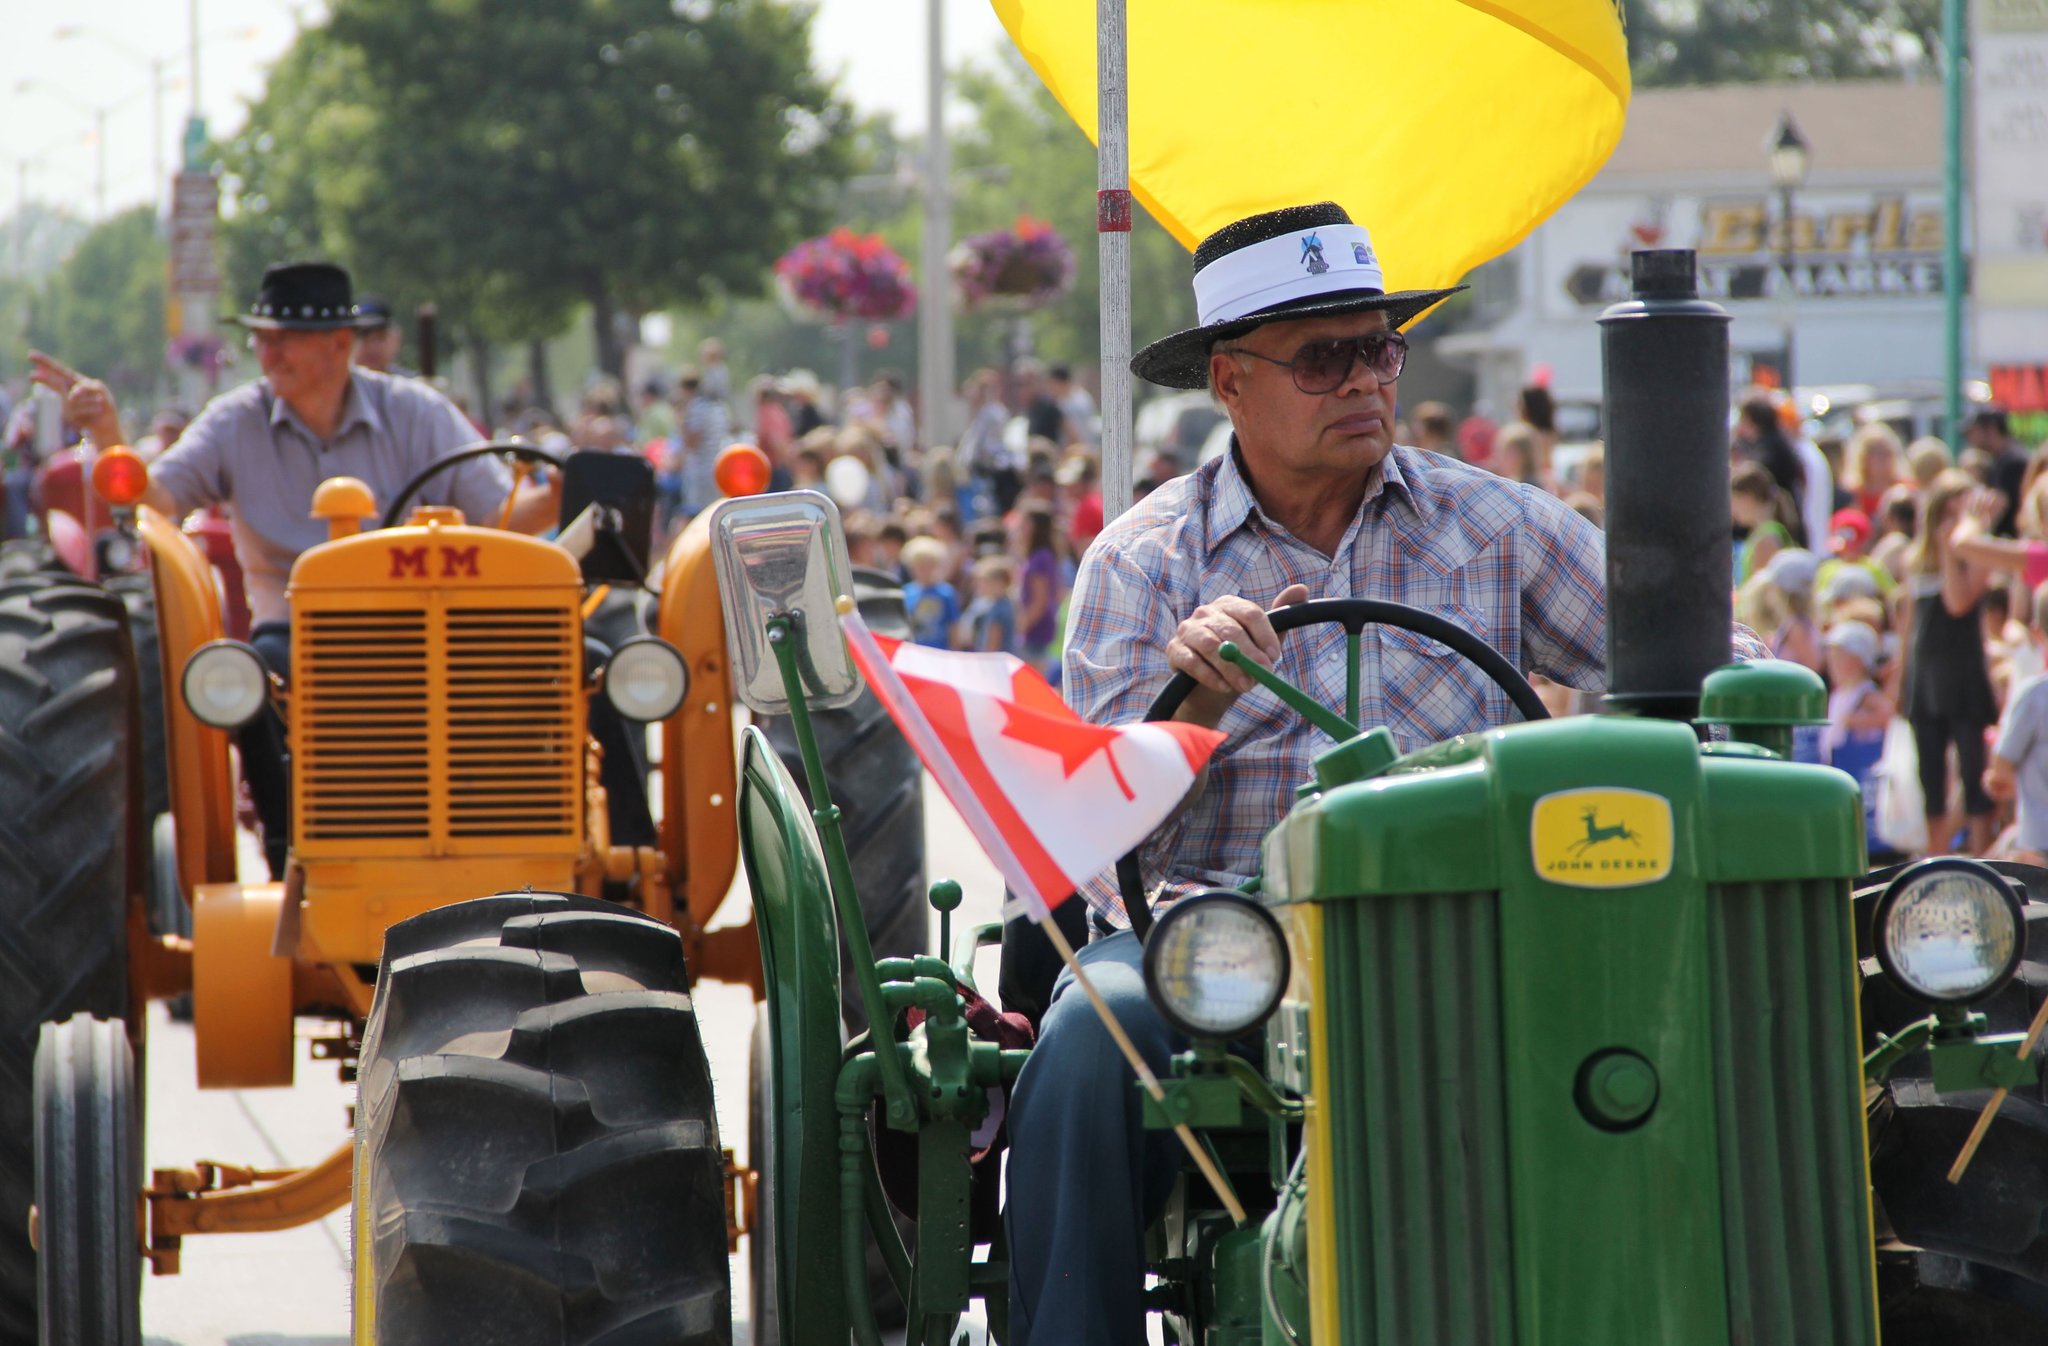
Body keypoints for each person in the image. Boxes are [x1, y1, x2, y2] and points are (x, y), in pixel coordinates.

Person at [1008, 202, 1611, 1346]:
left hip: (1479, 932)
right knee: (1095, 1031)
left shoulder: (1496, 525)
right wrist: (1199, 702)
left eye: (1377, 347)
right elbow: (1090, 846)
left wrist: (1727, 693)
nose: (1363, 382)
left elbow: (1692, 658)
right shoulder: (1144, 560)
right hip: (1224, 954)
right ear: (1228, 382)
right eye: (1322, 357)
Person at [46, 262, 559, 879]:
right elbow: (157, 500)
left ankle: (593, 867)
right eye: (261, 337)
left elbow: (502, 517)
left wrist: (562, 486)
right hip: (297, 631)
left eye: (281, 337)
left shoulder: (418, 413)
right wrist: (107, 433)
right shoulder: (235, 420)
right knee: (248, 680)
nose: (266, 352)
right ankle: (293, 861)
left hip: (427, 627)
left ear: (338, 345)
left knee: (573, 662)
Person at [1901, 470, 1999, 855]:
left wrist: (1950, 550)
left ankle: (1981, 859)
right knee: (1931, 775)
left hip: (1964, 674)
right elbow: (1908, 626)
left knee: (1974, 772)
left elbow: (1958, 603)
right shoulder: (1915, 559)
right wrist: (1900, 685)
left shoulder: (1977, 552)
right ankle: (1935, 858)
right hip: (1925, 679)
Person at [1986, 581, 2048, 866]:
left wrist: (1999, 781)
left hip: (2040, 844)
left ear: (2037, 633)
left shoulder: (2034, 695)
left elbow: (2001, 770)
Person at [1967, 406, 2027, 536]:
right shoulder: (2003, 458)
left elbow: (1997, 506)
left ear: (1991, 429)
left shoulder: (2012, 461)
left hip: (2009, 542)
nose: (1970, 437)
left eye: (1973, 430)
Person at [901, 536, 960, 648]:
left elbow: (953, 626)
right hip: (917, 652)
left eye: (927, 564)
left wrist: (955, 652)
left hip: (940, 652)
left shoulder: (946, 592)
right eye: (918, 565)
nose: (923, 569)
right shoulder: (906, 593)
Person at [351, 295, 413, 376]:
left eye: (380, 337)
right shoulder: (337, 386)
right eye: (364, 338)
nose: (373, 347)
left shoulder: (411, 386)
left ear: (396, 340)